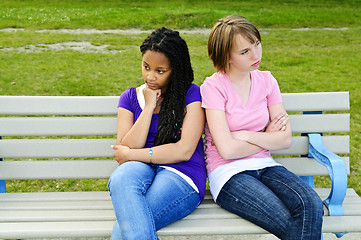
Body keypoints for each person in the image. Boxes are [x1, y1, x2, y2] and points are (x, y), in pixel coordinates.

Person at [200, 15, 324, 239]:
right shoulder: (213, 87)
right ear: (225, 56)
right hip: (229, 174)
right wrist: (265, 137)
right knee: (290, 223)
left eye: (257, 44)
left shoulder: (267, 81)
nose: (256, 55)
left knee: (311, 203)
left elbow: (284, 140)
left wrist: (246, 135)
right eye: (245, 51)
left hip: (266, 165)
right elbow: (226, 151)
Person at [108, 27, 206, 240]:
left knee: (123, 230)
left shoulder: (191, 94)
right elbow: (125, 149)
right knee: (120, 178)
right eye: (146, 67)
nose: (150, 76)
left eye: (160, 71)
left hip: (181, 173)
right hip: (141, 168)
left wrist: (132, 155)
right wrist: (148, 108)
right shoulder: (129, 98)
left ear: (176, 70)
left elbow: (184, 150)